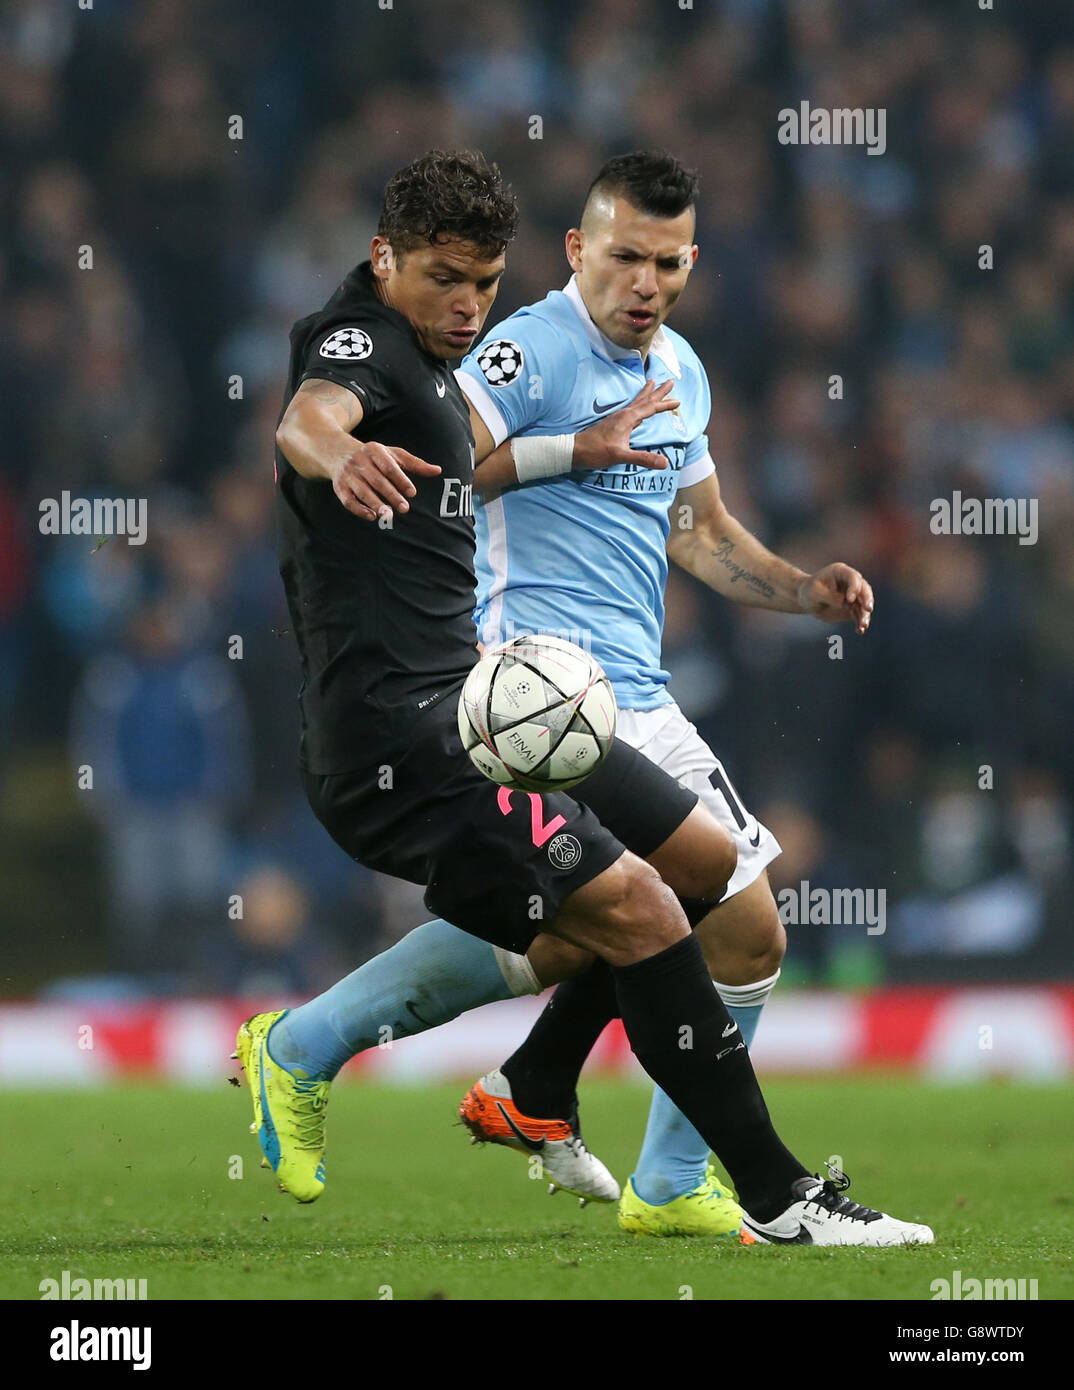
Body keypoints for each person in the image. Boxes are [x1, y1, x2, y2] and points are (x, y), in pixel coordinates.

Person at [240, 148, 932, 1248]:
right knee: (685, 918)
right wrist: (337, 457)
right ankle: (761, 1188)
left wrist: (800, 588)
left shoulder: (588, 365)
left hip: (556, 702)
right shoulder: (414, 343)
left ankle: (426, 1066)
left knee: (672, 895)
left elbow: (677, 522)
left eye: (482, 281)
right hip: (494, 707)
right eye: (624, 256)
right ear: (582, 251)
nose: (470, 306)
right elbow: (312, 416)